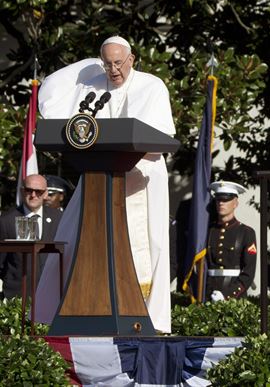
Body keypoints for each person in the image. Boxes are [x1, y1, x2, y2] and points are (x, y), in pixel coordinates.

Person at [37, 36, 175, 333]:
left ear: (132, 59)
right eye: (107, 64)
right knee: (74, 236)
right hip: (98, 177)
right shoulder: (94, 87)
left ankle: (147, 318)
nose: (113, 70)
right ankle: (69, 309)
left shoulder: (152, 87)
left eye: (118, 63)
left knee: (148, 244)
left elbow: (162, 135)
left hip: (142, 177)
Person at [0, 174, 62, 298]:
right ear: (22, 191)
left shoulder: (59, 219)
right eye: (29, 190)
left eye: (38, 191)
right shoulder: (6, 221)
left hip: (52, 294)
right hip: (17, 298)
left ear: (45, 194)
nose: (33, 195)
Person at [205, 181, 257, 301]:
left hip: (234, 297)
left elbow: (248, 273)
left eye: (226, 200)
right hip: (208, 293)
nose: (221, 203)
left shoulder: (246, 232)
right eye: (218, 200)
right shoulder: (209, 231)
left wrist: (226, 294)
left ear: (235, 203)